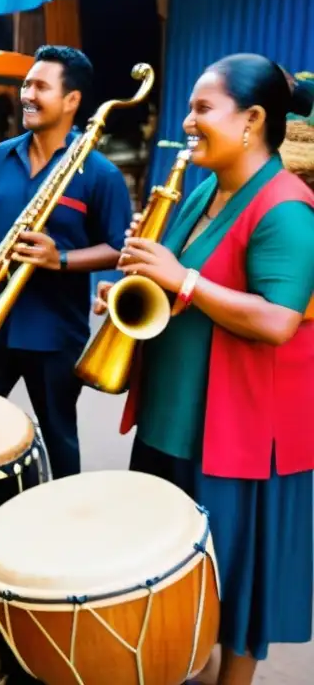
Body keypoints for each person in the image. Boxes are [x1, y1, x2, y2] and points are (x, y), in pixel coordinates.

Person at [106, 54, 314, 685]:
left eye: (202, 109)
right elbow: (183, 285)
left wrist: (182, 278)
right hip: (175, 413)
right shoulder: (205, 189)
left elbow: (278, 319)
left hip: (238, 428)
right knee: (168, 562)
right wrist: (141, 289)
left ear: (252, 119)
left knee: (234, 574)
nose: (188, 122)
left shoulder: (287, 208)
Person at [0, 45, 132, 480]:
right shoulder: (2, 155)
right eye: (25, 84)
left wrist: (62, 258)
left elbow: (120, 248)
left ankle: (65, 523)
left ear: (72, 101)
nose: (27, 95)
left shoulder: (101, 173)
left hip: (55, 334)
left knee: (59, 439)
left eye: (40, 86)